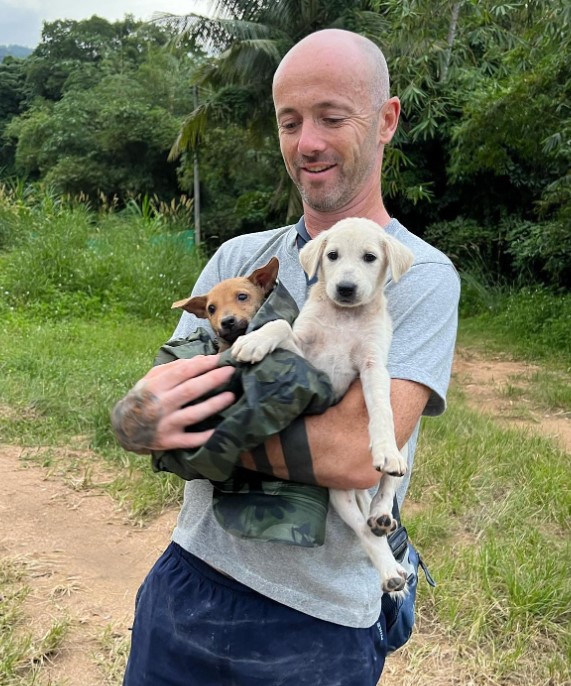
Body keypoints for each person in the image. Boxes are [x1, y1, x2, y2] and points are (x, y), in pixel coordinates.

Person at [112, 28, 460, 686]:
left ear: (385, 121)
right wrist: (138, 419)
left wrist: (190, 436)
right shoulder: (238, 263)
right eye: (289, 121)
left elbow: (353, 455)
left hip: (318, 622)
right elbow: (151, 407)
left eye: (332, 117)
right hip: (187, 580)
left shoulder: (421, 277)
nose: (308, 144)